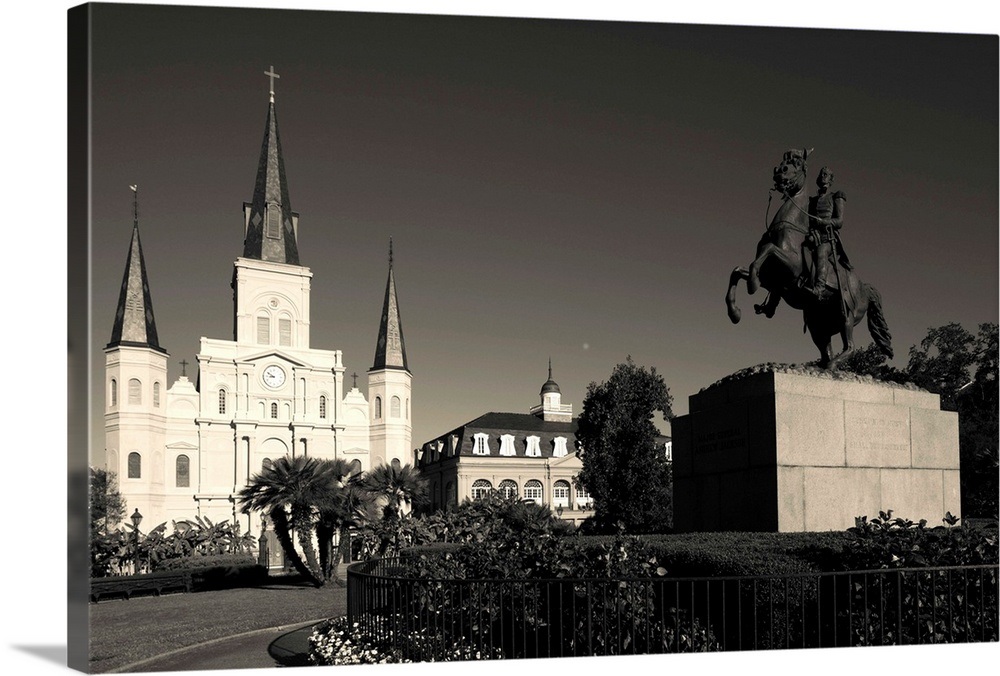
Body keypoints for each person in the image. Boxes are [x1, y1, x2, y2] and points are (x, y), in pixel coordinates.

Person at [803, 166, 851, 299]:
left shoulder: (836, 196)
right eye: (821, 174)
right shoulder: (812, 201)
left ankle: (820, 287)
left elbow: (839, 222)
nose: (823, 176)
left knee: (821, 252)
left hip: (828, 239)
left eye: (826, 175)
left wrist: (823, 222)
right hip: (813, 236)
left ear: (831, 179)